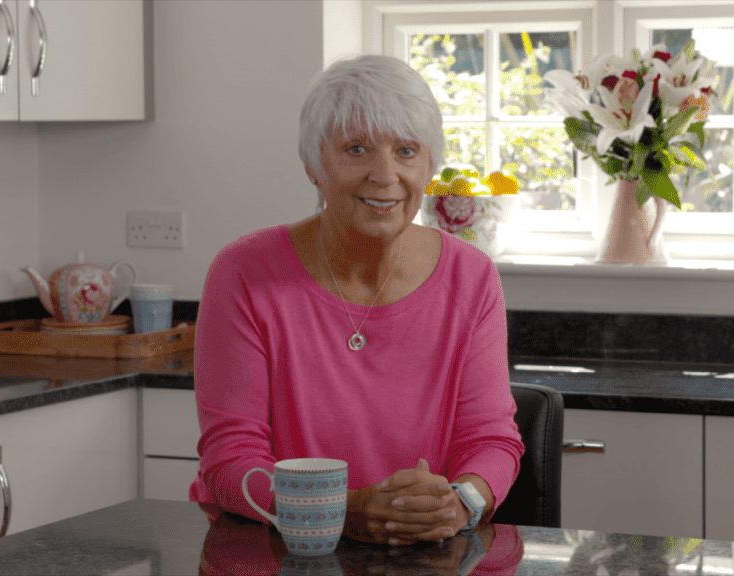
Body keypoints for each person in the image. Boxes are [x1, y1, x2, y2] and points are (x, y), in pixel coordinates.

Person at [189, 53, 524, 547]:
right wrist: (340, 510)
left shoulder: (471, 277)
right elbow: (229, 460)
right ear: (313, 165)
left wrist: (459, 503)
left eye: (406, 150)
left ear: (430, 164)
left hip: (424, 550)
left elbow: (490, 439)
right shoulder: (243, 273)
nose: (384, 175)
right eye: (356, 148)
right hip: (272, 550)